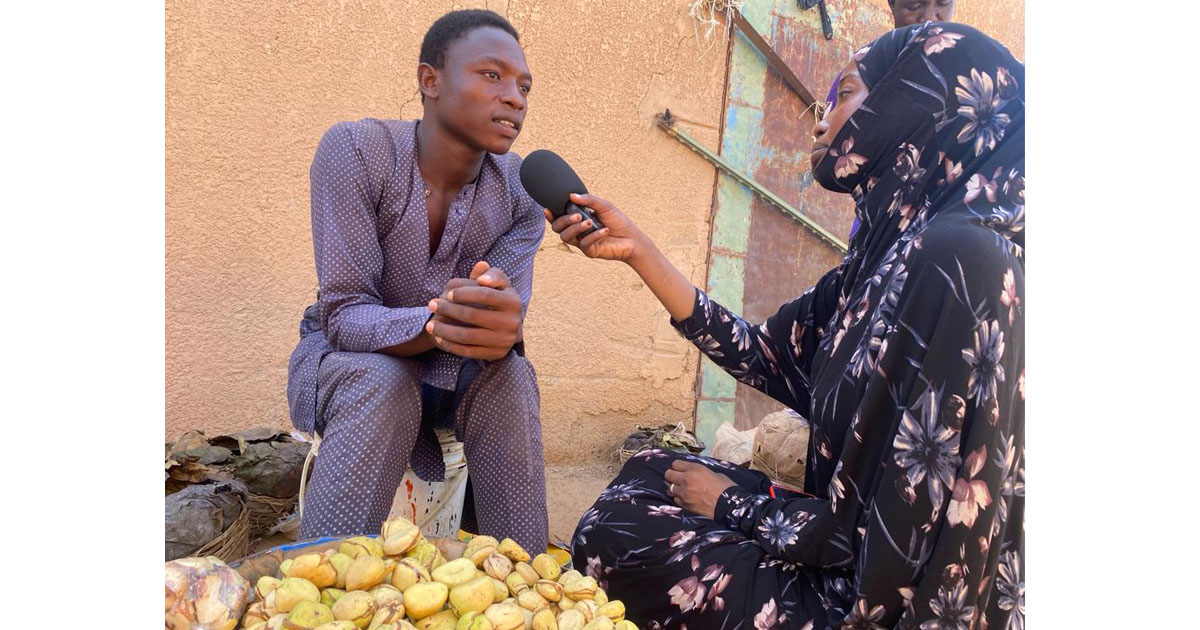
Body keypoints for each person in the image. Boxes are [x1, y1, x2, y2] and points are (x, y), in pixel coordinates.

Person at [553, 23, 1023, 630]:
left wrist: (733, 504)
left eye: (844, 95)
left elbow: (890, 552)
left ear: (912, 103)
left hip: (874, 604)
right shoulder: (884, 260)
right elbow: (763, 354)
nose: (821, 121)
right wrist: (638, 249)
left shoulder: (958, 257)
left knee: (621, 533)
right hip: (840, 545)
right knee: (649, 471)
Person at [285, 9, 548, 553]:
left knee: (512, 379)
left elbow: (500, 324)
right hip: (350, 361)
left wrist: (497, 321)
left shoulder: (521, 196)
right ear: (430, 80)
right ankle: (317, 586)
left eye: (523, 85)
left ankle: (524, 587)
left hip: (456, 373)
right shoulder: (356, 152)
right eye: (492, 75)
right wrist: (440, 320)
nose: (515, 97)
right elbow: (345, 314)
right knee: (386, 382)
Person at [832, 0, 957, 240]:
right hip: (878, 235)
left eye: (943, 3)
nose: (930, 18)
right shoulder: (864, 74)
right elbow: (832, 155)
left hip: (943, 237)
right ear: (891, 5)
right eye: (913, 6)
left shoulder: (972, 73)